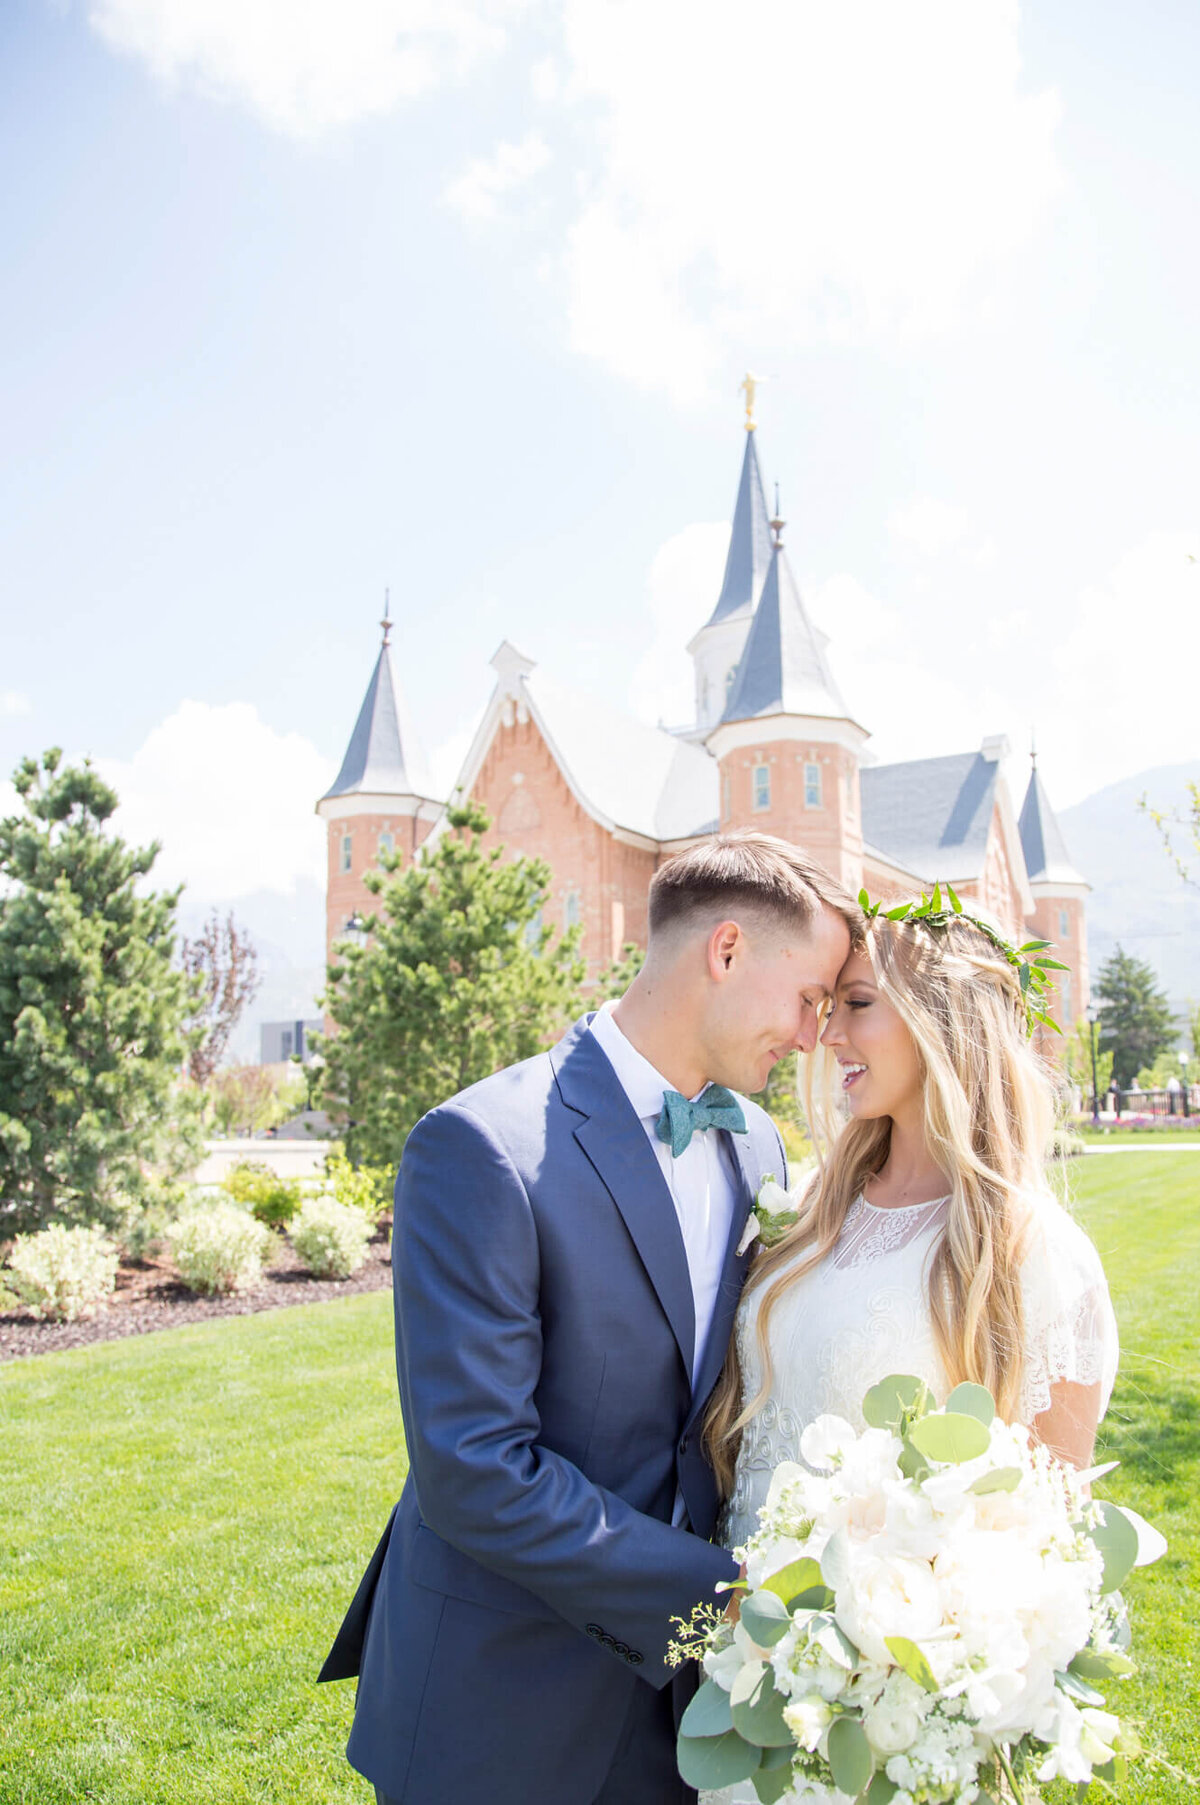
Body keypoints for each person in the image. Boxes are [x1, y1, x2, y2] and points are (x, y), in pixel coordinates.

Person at [318, 832, 858, 1805]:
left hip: (691, 1717)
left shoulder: (763, 1148)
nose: (816, 1033)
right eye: (812, 996)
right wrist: (721, 1602)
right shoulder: (484, 1147)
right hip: (505, 1701)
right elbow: (473, 1468)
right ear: (726, 950)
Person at [699, 903, 1119, 1805]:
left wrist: (899, 1675)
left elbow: (1048, 1535)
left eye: (856, 1002)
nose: (824, 1032)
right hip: (744, 1671)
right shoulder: (815, 1202)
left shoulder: (1026, 1252)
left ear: (943, 1017)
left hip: (881, 1712)